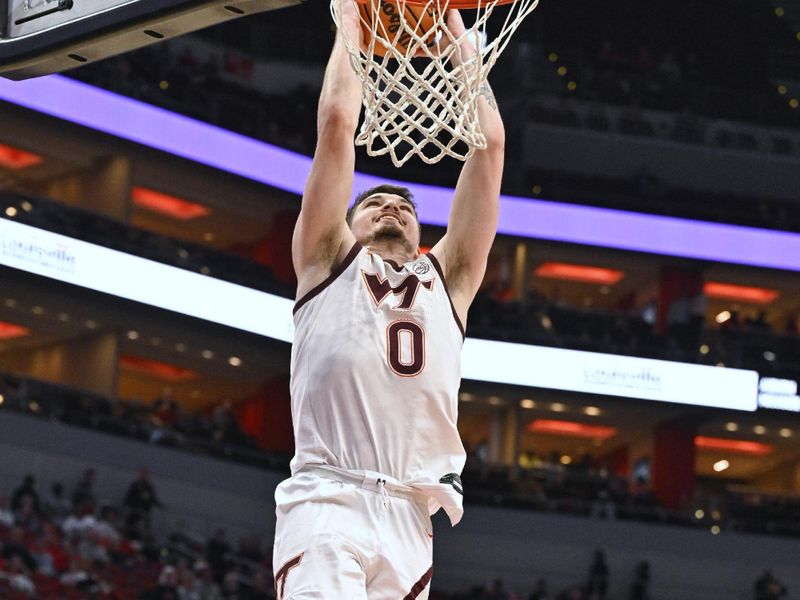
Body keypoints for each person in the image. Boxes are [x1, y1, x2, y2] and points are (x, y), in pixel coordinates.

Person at [271, 1, 505, 598]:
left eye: (405, 204)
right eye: (374, 201)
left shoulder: (449, 278)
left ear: (424, 235)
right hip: (330, 494)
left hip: (410, 513)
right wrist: (351, 20)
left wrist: (455, 30)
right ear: (347, 223)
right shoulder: (327, 258)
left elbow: (489, 147)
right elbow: (335, 127)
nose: (393, 205)